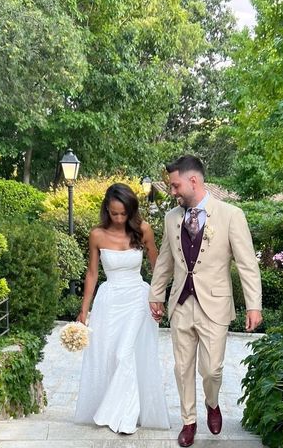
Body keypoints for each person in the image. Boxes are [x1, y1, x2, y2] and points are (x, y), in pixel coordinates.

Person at [149, 155, 262, 447]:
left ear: (193, 181)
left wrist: (254, 305)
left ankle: (212, 403)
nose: (172, 191)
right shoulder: (172, 217)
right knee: (182, 367)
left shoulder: (230, 215)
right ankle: (189, 421)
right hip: (181, 304)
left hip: (215, 305)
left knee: (212, 369)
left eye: (175, 186)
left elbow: (248, 263)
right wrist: (156, 294)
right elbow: (164, 260)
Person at [74, 183, 170, 434]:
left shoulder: (144, 230)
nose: (118, 218)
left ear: (131, 210)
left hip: (137, 299)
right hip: (109, 301)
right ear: (107, 209)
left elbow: (157, 268)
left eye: (123, 213)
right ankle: (121, 408)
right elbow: (92, 274)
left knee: (124, 354)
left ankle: (126, 417)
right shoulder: (97, 234)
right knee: (108, 355)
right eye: (114, 213)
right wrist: (84, 310)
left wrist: (158, 299)